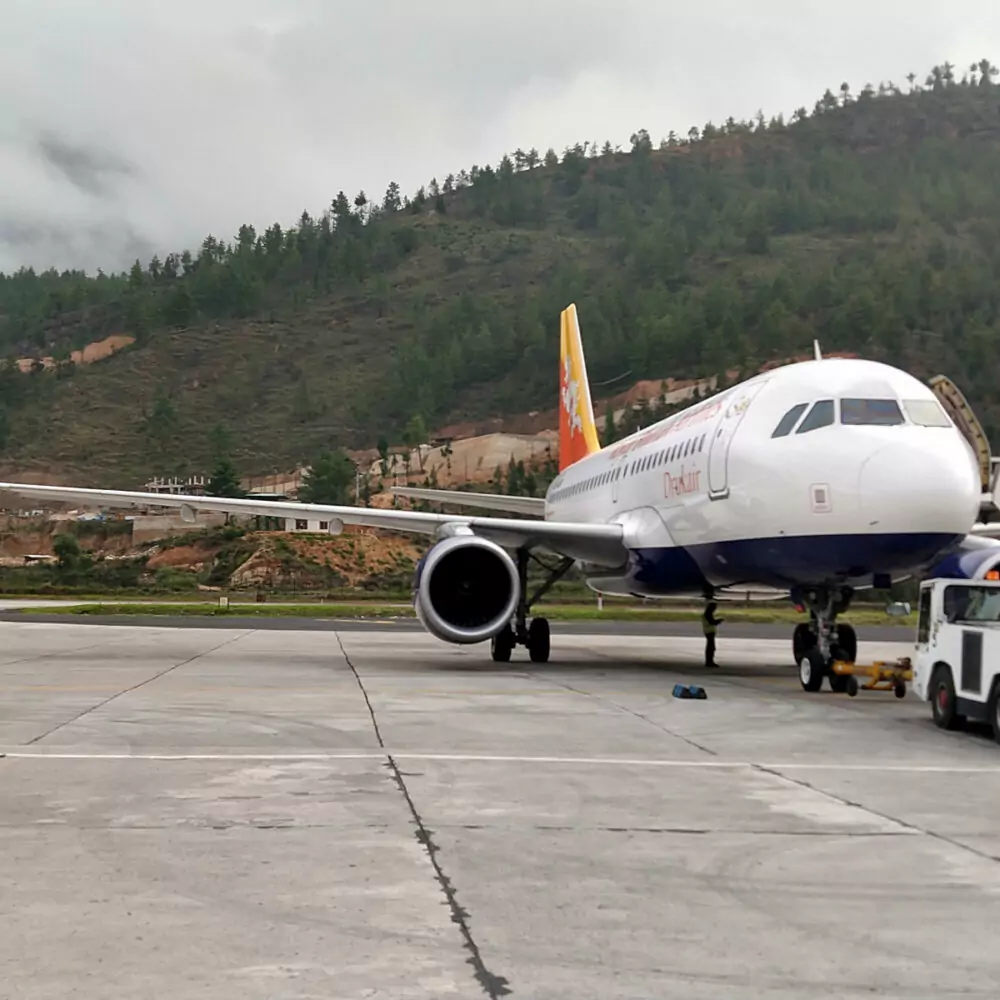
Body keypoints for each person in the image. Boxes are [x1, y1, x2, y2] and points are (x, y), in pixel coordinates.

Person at [702, 601, 723, 667]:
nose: (715, 609)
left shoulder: (707, 614)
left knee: (711, 647)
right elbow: (712, 622)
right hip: (709, 632)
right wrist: (719, 621)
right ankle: (709, 662)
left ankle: (709, 661)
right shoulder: (708, 614)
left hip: (709, 632)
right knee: (711, 647)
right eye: (714, 607)